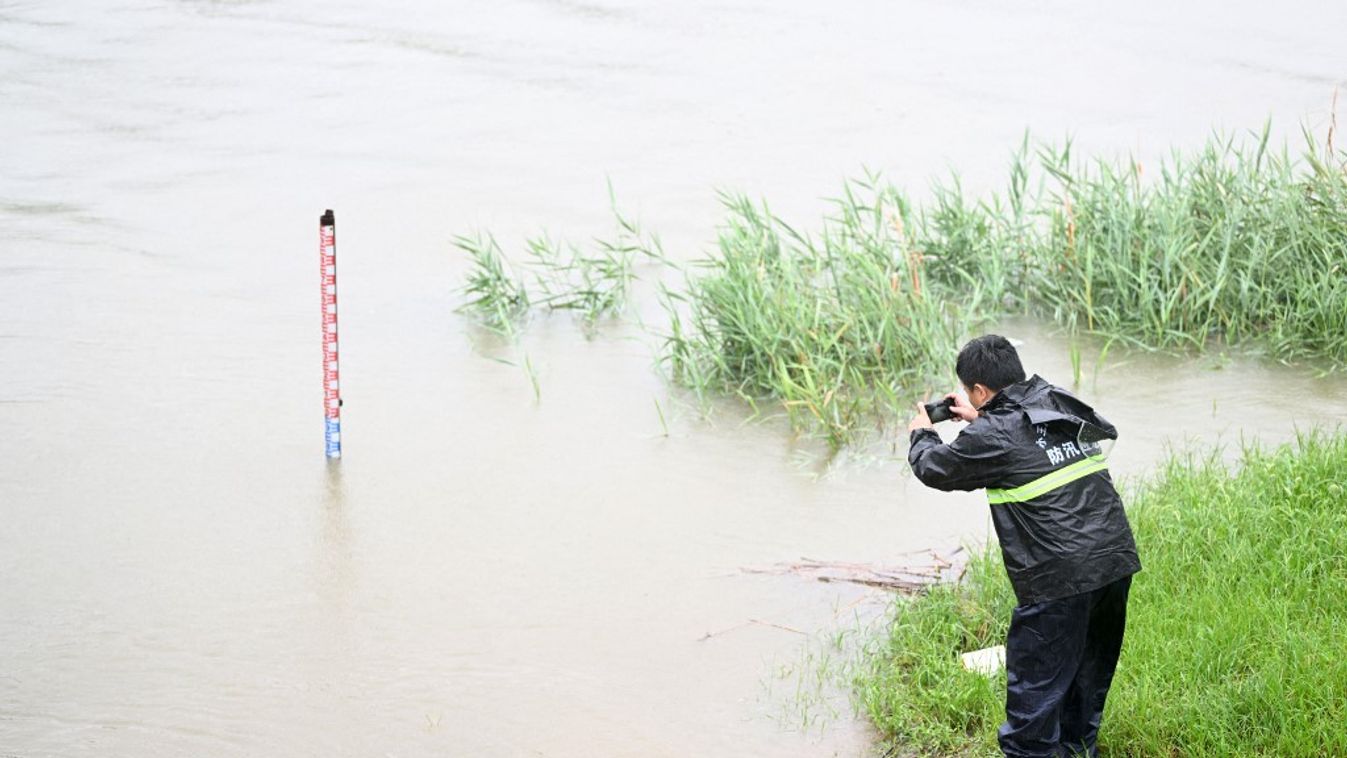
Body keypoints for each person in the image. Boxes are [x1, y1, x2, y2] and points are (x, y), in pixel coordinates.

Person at [907, 334, 1141, 758]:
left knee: (1031, 713)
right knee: (1085, 689)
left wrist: (922, 434)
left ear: (979, 390)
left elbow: (934, 468)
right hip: (1115, 561)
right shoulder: (1055, 398)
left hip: (1058, 581)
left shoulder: (993, 435)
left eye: (971, 393)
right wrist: (982, 420)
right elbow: (1029, 441)